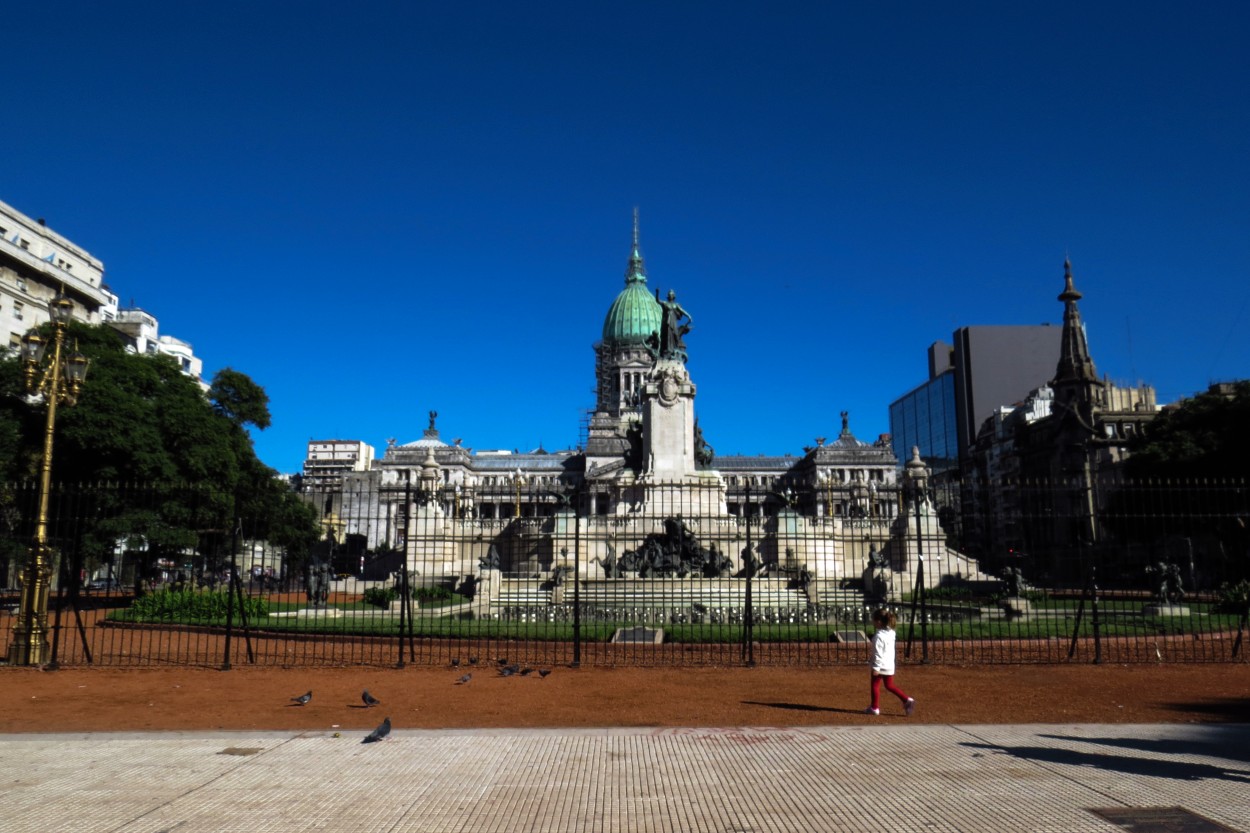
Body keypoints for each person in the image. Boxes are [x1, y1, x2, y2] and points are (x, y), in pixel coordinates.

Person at [866, 608, 915, 716]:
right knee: (889, 685)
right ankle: (906, 700)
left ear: (878, 621)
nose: (872, 622)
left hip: (880, 665)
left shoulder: (878, 637)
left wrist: (876, 667)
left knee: (875, 685)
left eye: (873, 620)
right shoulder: (891, 633)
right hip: (889, 664)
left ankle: (874, 707)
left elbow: (878, 653)